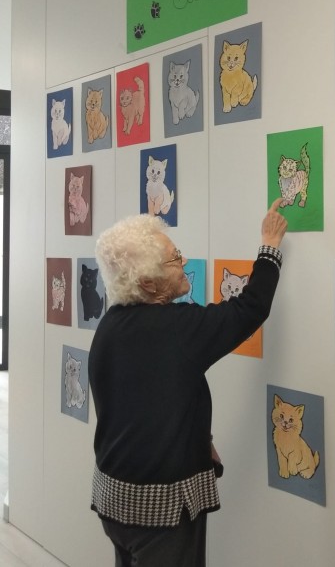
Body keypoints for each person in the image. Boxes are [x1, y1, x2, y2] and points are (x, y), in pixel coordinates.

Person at [88, 199, 287, 567]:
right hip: (159, 510)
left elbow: (145, 401)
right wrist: (270, 244)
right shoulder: (177, 328)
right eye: (173, 260)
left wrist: (198, 440)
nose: (184, 262)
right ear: (148, 283)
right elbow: (250, 308)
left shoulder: (110, 326)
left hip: (113, 499)